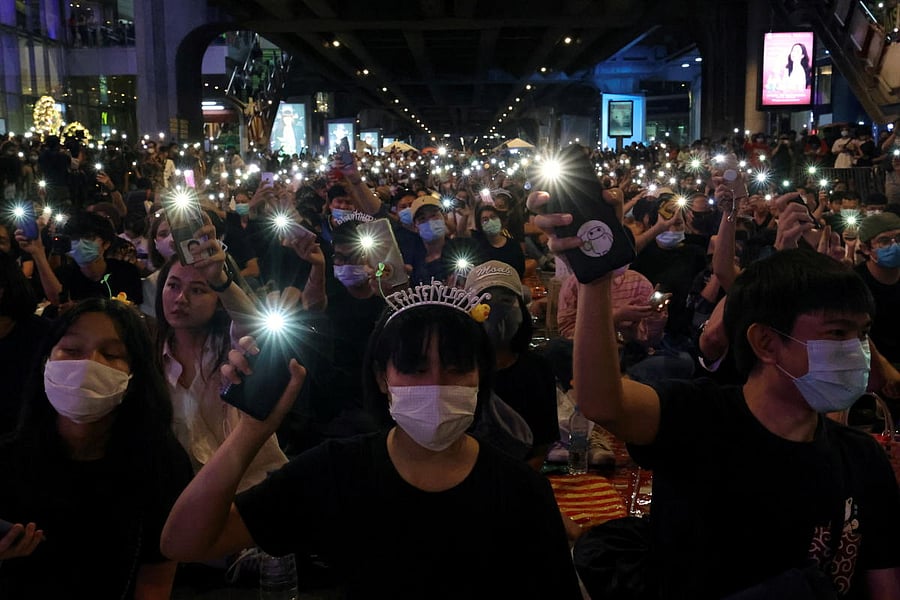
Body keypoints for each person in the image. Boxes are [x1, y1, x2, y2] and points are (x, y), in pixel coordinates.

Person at [530, 187, 900, 598]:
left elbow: (883, 582)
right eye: (837, 334)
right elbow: (602, 401)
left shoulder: (861, 459)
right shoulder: (700, 418)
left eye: (862, 334)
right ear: (765, 342)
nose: (856, 351)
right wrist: (597, 275)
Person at [160, 279, 583, 598]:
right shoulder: (335, 472)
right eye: (414, 368)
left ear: (479, 379)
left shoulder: (520, 490)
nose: (435, 384)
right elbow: (185, 542)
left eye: (455, 369)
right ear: (383, 378)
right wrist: (252, 431)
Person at [0, 298, 193, 598]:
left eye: (111, 353)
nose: (89, 364)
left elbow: (155, 580)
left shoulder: (160, 464)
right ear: (46, 361)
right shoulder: (8, 457)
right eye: (72, 350)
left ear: (134, 374)